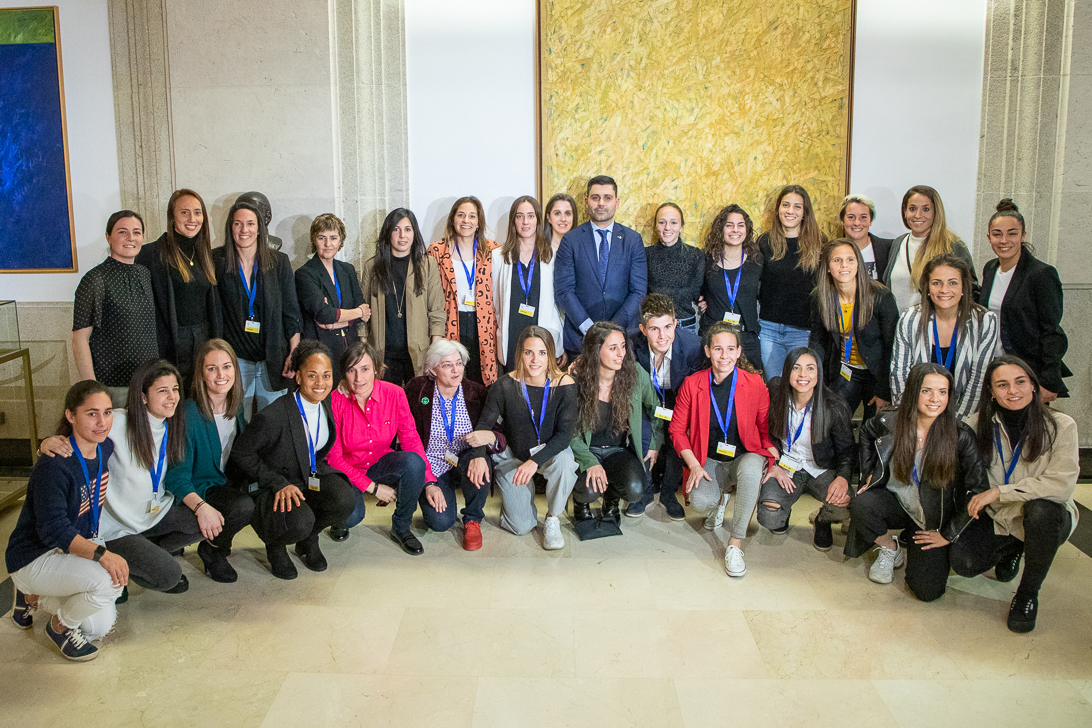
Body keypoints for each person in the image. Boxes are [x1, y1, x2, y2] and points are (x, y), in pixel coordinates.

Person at [38, 361, 199, 599]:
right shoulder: (118, 422)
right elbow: (78, 435)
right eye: (162, 390)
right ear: (143, 397)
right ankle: (118, 565)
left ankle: (132, 562)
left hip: (151, 514)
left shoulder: (172, 425)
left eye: (175, 389)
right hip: (116, 528)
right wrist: (46, 443)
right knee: (169, 576)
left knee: (205, 523)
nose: (172, 397)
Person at [845, 363, 989, 599]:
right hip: (897, 501)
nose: (935, 399)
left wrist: (948, 534)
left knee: (927, 592)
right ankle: (890, 547)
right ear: (913, 392)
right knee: (862, 502)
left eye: (943, 392)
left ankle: (919, 547)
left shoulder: (960, 435)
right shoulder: (891, 421)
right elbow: (867, 432)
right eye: (926, 390)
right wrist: (869, 472)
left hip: (932, 518)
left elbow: (978, 490)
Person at [956, 356, 1080, 632]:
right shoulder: (975, 426)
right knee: (963, 563)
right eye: (1002, 385)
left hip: (1046, 517)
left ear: (1034, 386)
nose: (1013, 391)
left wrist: (1000, 492)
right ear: (991, 391)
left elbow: (1061, 485)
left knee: (1041, 512)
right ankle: (1014, 548)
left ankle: (1027, 594)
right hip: (1000, 517)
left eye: (1020, 382)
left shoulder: (1062, 426)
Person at [6, 381, 127, 662]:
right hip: (36, 554)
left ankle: (32, 596)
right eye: (92, 413)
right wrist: (102, 555)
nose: (102, 422)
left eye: (107, 412)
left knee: (97, 627)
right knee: (110, 583)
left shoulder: (104, 447)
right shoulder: (54, 465)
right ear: (71, 416)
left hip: (73, 542)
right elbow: (53, 530)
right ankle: (57, 626)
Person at [227, 341, 357, 579]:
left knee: (346, 500)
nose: (320, 383)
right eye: (312, 375)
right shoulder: (273, 415)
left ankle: (309, 539)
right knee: (300, 521)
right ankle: (275, 545)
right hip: (277, 482)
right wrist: (275, 481)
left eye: (326, 375)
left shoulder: (325, 402)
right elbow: (240, 454)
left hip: (308, 473)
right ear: (298, 377)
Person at [669, 322, 776, 578]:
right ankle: (719, 500)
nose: (724, 356)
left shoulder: (755, 384)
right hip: (708, 459)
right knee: (700, 501)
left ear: (739, 352)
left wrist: (775, 458)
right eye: (718, 349)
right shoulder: (692, 385)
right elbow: (676, 430)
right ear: (707, 351)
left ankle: (735, 544)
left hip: (743, 456)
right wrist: (694, 464)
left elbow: (764, 429)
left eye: (730, 349)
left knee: (751, 467)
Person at [474, 325, 578, 550]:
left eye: (542, 353)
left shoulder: (564, 385)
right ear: (519, 353)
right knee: (521, 526)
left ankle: (552, 518)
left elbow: (564, 435)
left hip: (548, 453)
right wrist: (478, 456)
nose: (535, 359)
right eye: (528, 352)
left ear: (551, 354)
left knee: (566, 462)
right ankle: (515, 504)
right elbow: (483, 425)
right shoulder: (504, 385)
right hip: (514, 455)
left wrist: (535, 462)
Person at [324, 342, 432, 556]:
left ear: (376, 368)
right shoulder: (335, 400)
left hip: (380, 462)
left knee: (414, 462)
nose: (358, 379)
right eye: (351, 370)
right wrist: (373, 488)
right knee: (352, 517)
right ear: (344, 373)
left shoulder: (395, 394)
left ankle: (402, 527)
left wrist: (428, 480)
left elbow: (411, 439)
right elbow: (334, 459)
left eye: (364, 369)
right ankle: (340, 520)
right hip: (347, 470)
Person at [164, 339, 256, 583]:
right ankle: (213, 550)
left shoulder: (235, 407)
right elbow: (176, 476)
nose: (221, 375)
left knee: (262, 494)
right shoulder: (189, 414)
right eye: (212, 368)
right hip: (200, 488)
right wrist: (200, 507)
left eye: (226, 367)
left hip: (224, 481)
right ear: (201, 374)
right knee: (242, 506)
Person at [405, 340, 506, 551]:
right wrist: (428, 483)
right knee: (440, 523)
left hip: (466, 460)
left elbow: (500, 434)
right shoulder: (417, 390)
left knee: (480, 461)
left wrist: (490, 437)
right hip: (432, 464)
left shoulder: (477, 393)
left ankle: (473, 519)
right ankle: (435, 493)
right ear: (433, 369)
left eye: (459, 363)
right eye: (447, 365)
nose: (455, 370)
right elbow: (407, 436)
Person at [756, 348, 855, 550]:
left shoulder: (834, 406)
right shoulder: (775, 392)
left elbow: (847, 450)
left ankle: (822, 520)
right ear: (787, 372)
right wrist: (772, 464)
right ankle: (784, 510)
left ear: (818, 373)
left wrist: (843, 477)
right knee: (769, 517)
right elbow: (764, 431)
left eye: (810, 368)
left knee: (846, 505)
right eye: (796, 368)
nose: (803, 375)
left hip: (820, 469)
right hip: (785, 465)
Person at [213, 200, 302, 421]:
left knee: (272, 423)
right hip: (234, 361)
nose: (245, 230)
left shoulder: (278, 262)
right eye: (238, 224)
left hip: (273, 359)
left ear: (260, 228)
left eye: (251, 224)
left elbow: (291, 312)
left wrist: (294, 353)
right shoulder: (217, 261)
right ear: (230, 227)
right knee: (234, 423)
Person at [570, 322, 662, 526]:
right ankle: (581, 503)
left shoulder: (635, 374)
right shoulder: (575, 379)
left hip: (617, 450)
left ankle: (611, 498)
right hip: (585, 451)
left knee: (635, 489)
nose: (621, 353)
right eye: (613, 348)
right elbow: (568, 431)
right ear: (596, 351)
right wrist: (589, 461)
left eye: (623, 346)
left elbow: (657, 408)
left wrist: (655, 443)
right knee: (589, 491)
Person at [978, 199, 1070, 400]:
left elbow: (1052, 332)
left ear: (1023, 235)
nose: (1004, 240)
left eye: (1012, 233)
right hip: (995, 369)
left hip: (1029, 373)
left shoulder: (1041, 274)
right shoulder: (990, 269)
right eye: (997, 234)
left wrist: (1048, 380)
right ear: (988, 237)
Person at [891, 254, 999, 420]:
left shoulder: (984, 321)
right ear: (927, 287)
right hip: (916, 414)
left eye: (953, 283)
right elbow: (899, 374)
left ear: (964, 287)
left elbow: (979, 381)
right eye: (936, 283)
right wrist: (912, 417)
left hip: (965, 416)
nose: (944, 290)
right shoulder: (910, 319)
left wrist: (957, 424)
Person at [135, 189, 222, 390]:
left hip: (204, 339)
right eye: (184, 212)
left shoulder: (206, 254)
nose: (192, 218)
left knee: (200, 397)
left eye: (197, 212)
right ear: (172, 217)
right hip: (169, 342)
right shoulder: (151, 254)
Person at [72, 210, 160, 407]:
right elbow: (79, 339)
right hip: (114, 388)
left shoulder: (144, 273)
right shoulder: (95, 279)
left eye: (136, 232)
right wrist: (93, 390)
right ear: (108, 237)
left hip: (148, 384)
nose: (131, 238)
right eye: (122, 232)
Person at [629, 293, 705, 519]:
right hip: (646, 403)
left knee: (679, 437)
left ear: (676, 324)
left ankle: (668, 493)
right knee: (641, 434)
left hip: (678, 402)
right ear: (643, 329)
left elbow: (694, 395)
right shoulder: (632, 345)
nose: (662, 336)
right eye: (654, 329)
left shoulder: (693, 347)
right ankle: (644, 492)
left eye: (667, 327)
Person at [554, 175, 647, 358]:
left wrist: (611, 331)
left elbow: (638, 291)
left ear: (617, 202)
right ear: (587, 201)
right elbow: (564, 291)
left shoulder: (632, 240)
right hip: (581, 341)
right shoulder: (570, 240)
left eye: (607, 197)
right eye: (596, 198)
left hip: (623, 339)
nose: (601, 203)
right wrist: (591, 329)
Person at [809, 238, 899, 423]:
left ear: (858, 263)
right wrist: (818, 381)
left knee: (874, 427)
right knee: (833, 422)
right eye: (837, 260)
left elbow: (892, 347)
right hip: (844, 370)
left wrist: (885, 390)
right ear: (827, 266)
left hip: (876, 375)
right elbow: (818, 341)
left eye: (850, 259)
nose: (844, 265)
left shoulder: (880, 297)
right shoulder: (821, 297)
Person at [360, 208, 445, 386]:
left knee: (419, 403)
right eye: (396, 229)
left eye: (407, 229)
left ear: (414, 233)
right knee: (387, 407)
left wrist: (434, 354)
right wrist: (363, 350)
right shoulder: (372, 267)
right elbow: (363, 312)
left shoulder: (427, 265)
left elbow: (436, 311)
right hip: (383, 354)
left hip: (417, 353)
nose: (402, 235)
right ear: (388, 233)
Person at [428, 196, 499, 386]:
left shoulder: (492, 250)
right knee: (452, 374)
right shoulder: (436, 251)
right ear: (453, 219)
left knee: (481, 376)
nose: (466, 221)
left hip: (484, 323)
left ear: (478, 222)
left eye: (472, 216)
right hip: (450, 321)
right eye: (461, 215)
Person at [756, 185, 825, 379]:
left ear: (804, 213)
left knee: (800, 387)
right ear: (778, 210)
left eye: (797, 206)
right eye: (786, 205)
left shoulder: (819, 243)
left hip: (803, 331)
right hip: (769, 329)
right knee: (775, 387)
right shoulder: (765, 242)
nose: (790, 211)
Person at [491, 196, 564, 372]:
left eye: (531, 216)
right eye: (519, 216)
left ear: (538, 219)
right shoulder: (499, 256)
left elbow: (559, 305)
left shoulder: (552, 256)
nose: (525, 222)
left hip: (542, 335)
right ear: (513, 221)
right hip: (512, 335)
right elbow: (495, 300)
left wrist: (560, 343)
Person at [295, 213, 368, 382]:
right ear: (314, 240)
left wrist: (335, 320)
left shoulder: (347, 270)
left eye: (333, 238)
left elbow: (363, 310)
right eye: (322, 238)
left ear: (340, 241)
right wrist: (356, 312)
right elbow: (324, 314)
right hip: (320, 350)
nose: (328, 244)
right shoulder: (304, 274)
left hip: (350, 349)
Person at [882, 185, 976, 311]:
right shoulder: (898, 243)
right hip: (898, 326)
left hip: (933, 326)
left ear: (935, 212)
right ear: (905, 212)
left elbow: (971, 289)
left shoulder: (952, 245)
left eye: (926, 209)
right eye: (912, 209)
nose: (918, 215)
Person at [698, 203, 763, 369]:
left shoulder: (757, 261)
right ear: (721, 229)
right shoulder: (706, 260)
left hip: (746, 337)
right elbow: (696, 288)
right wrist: (700, 300)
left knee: (751, 387)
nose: (735, 230)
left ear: (747, 230)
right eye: (729, 225)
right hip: (714, 335)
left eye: (740, 225)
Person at [645, 202, 703, 333]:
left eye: (673, 223)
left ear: (681, 227)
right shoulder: (645, 255)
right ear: (655, 226)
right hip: (655, 328)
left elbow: (698, 292)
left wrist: (706, 300)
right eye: (662, 222)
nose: (667, 228)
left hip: (686, 327)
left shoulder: (695, 255)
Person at [839, 194, 892, 280]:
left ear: (871, 220)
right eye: (851, 217)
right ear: (842, 220)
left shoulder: (888, 249)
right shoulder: (831, 251)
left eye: (863, 217)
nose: (857, 223)